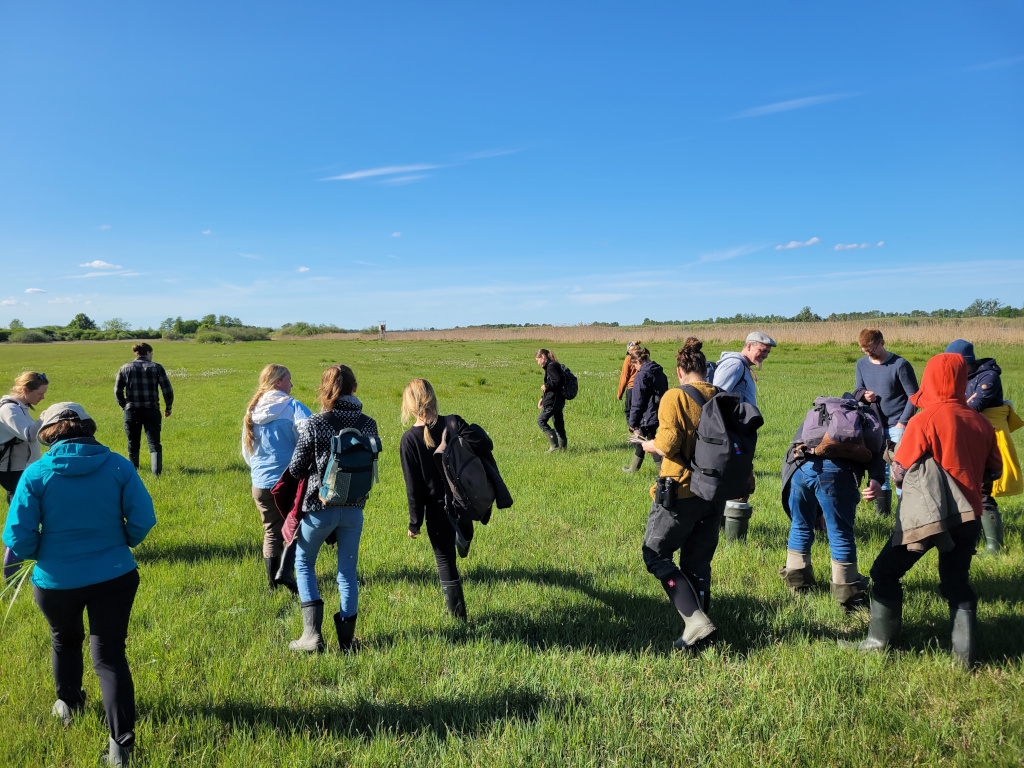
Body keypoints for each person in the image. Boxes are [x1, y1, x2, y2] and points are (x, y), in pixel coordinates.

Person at [3, 402, 156, 767]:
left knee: (64, 640)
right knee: (109, 657)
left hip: (56, 582)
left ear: (48, 433)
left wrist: (45, 551)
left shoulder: (36, 473)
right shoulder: (119, 464)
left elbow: (17, 537)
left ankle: (68, 702)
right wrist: (124, 543)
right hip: (115, 575)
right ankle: (121, 744)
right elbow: (143, 519)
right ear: (88, 428)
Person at [843, 353, 1001, 667]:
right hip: (969, 515)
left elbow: (900, 470)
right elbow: (994, 471)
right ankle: (965, 658)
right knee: (956, 582)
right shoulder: (980, 421)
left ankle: (877, 642)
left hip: (929, 515)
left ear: (929, 379)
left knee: (884, 572)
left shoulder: (924, 419)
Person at [399, 379, 511, 620]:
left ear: (408, 407)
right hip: (464, 501)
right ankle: (464, 536)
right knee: (459, 533)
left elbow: (414, 487)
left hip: (437, 510)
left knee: (445, 562)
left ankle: (459, 619)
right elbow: (485, 444)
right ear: (433, 399)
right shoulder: (453, 422)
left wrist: (414, 523)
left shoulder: (409, 439)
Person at [285, 364, 378, 653]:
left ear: (325, 390)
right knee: (347, 573)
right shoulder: (369, 424)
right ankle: (348, 643)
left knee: (303, 564)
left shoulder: (315, 423)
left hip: (319, 506)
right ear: (355, 388)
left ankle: (311, 637)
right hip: (354, 508)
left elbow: (297, 468)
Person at [639, 338, 723, 652]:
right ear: (705, 369)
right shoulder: (722, 396)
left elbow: (667, 444)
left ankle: (695, 622)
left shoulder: (675, 396)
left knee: (656, 555)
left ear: (680, 371)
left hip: (681, 490)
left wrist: (647, 445)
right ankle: (702, 632)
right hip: (714, 493)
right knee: (698, 561)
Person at [779, 401, 885, 610]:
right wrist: (877, 479)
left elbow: (791, 451)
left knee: (800, 526)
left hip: (801, 467)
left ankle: (798, 588)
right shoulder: (866, 419)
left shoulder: (820, 412)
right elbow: (877, 452)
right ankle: (847, 598)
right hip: (837, 474)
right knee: (840, 534)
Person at [945, 339, 1020, 555]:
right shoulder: (957, 376)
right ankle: (970, 537)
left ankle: (993, 546)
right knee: (963, 489)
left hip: (987, 439)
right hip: (963, 436)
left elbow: (974, 407)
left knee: (983, 488)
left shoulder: (989, 376)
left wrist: (954, 409)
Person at [241, 364, 311, 593]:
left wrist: (261, 472)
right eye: (289, 380)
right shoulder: (292, 406)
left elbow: (247, 452)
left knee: (271, 531)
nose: (292, 385)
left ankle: (272, 586)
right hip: (289, 483)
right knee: (297, 529)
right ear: (278, 382)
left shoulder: (252, 411)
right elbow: (311, 435)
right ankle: (294, 581)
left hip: (260, 483)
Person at [712, 331, 776, 540]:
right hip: (732, 435)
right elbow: (715, 396)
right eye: (761, 350)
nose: (764, 355)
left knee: (736, 481)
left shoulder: (743, 366)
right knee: (739, 482)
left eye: (767, 352)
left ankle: (723, 531)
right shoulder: (735, 365)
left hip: (739, 433)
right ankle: (732, 538)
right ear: (749, 346)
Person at [854, 328, 919, 516]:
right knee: (879, 468)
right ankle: (881, 515)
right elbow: (858, 389)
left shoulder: (900, 365)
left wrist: (903, 423)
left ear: (881, 343)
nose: (868, 353)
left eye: (871, 349)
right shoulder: (861, 364)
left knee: (899, 470)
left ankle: (903, 515)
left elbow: (914, 397)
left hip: (898, 425)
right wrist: (865, 396)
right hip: (873, 424)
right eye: (864, 350)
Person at [1, 371, 47, 579]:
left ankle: (19, 561)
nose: (42, 397)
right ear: (25, 390)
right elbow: (28, 434)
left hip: (22, 468)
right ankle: (11, 570)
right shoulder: (9, 409)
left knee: (26, 515)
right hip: (13, 470)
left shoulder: (20, 407)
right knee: (22, 517)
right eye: (40, 393)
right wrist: (44, 418)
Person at [114, 342, 174, 477]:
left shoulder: (124, 368)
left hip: (132, 411)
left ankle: (133, 471)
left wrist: (125, 406)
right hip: (151, 410)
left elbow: (117, 391)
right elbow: (167, 390)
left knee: (133, 442)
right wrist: (168, 406)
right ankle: (157, 473)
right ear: (148, 353)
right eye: (151, 353)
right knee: (154, 443)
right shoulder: (157, 368)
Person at [624, 347, 667, 473]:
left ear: (637, 362)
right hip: (659, 412)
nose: (635, 369)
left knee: (652, 442)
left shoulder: (641, 376)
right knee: (641, 440)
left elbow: (637, 402)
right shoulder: (659, 372)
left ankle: (664, 473)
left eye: (634, 366)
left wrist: (632, 422)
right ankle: (633, 469)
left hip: (647, 415)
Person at [535, 348, 566, 452]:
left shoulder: (551, 366)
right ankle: (563, 448)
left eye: (538, 360)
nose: (538, 363)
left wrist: (546, 386)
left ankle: (554, 446)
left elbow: (557, 381)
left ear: (543, 357)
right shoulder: (553, 365)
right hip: (558, 400)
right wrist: (542, 398)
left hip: (553, 401)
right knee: (558, 423)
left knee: (541, 421)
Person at [617, 340, 641, 428]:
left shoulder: (628, 359)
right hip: (643, 387)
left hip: (632, 388)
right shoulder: (643, 357)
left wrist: (620, 393)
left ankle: (635, 433)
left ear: (630, 351)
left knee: (629, 412)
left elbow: (624, 376)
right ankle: (642, 432)